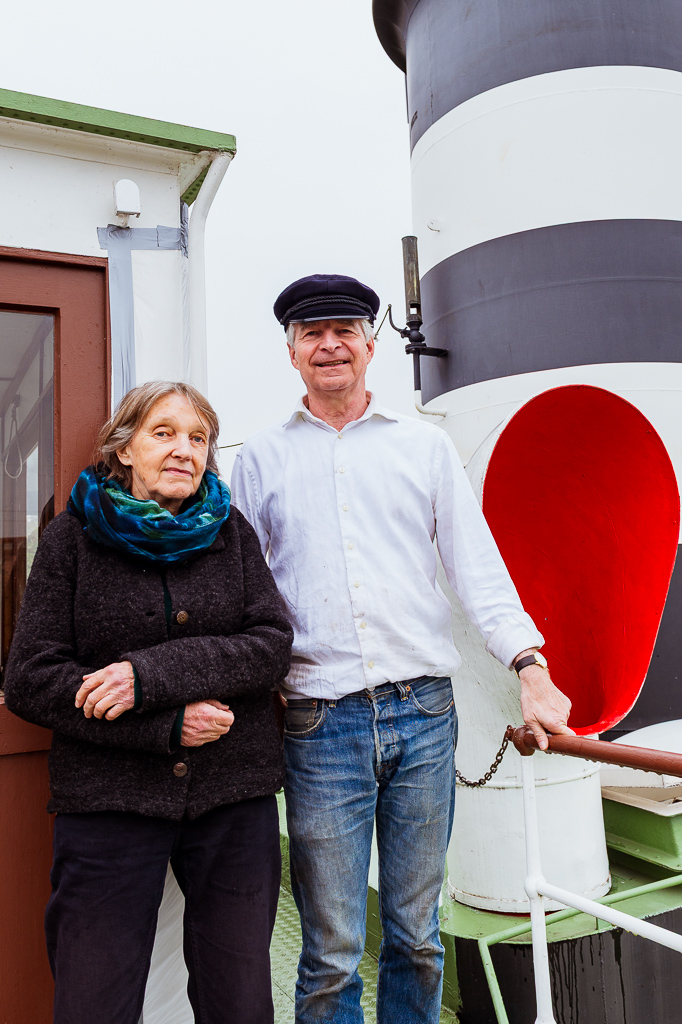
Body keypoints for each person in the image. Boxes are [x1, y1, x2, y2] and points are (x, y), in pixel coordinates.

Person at [230, 274, 573, 1024]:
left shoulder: (424, 446)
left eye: (344, 331)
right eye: (312, 334)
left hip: (423, 715)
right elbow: (241, 588)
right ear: (291, 352)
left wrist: (530, 665)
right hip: (318, 723)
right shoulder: (258, 459)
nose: (330, 345)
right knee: (331, 949)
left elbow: (477, 570)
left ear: (369, 345)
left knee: (417, 937)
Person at [4, 380, 293, 1024]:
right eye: (163, 433)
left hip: (232, 799)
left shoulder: (231, 532)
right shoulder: (71, 539)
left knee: (240, 1002)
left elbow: (271, 645)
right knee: (94, 1000)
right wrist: (162, 727)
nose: (184, 449)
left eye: (198, 438)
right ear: (124, 448)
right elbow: (31, 677)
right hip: (108, 801)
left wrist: (149, 675)